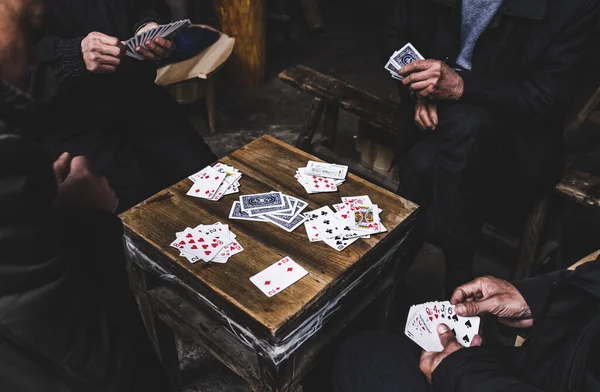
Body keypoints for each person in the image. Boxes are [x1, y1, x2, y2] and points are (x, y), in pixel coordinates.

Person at [0, 0, 167, 390]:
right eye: (25, 35)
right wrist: (86, 215)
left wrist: (149, 25)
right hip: (79, 126)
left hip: (137, 104)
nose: (30, 59)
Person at [380, 0, 600, 293]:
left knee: (434, 154)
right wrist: (420, 90)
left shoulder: (575, 7)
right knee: (429, 157)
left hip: (518, 144)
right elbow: (393, 35)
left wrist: (461, 87)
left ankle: (389, 274)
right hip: (436, 121)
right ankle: (449, 278)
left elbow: (547, 99)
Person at [14, 0, 216, 212]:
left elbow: (148, 5)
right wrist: (73, 55)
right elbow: (13, 75)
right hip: (75, 127)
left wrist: (146, 25)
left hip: (142, 100)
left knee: (212, 183)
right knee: (147, 217)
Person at [334, 254, 600, 391]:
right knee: (368, 349)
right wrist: (536, 301)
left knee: (360, 359)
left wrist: (458, 370)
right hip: (550, 361)